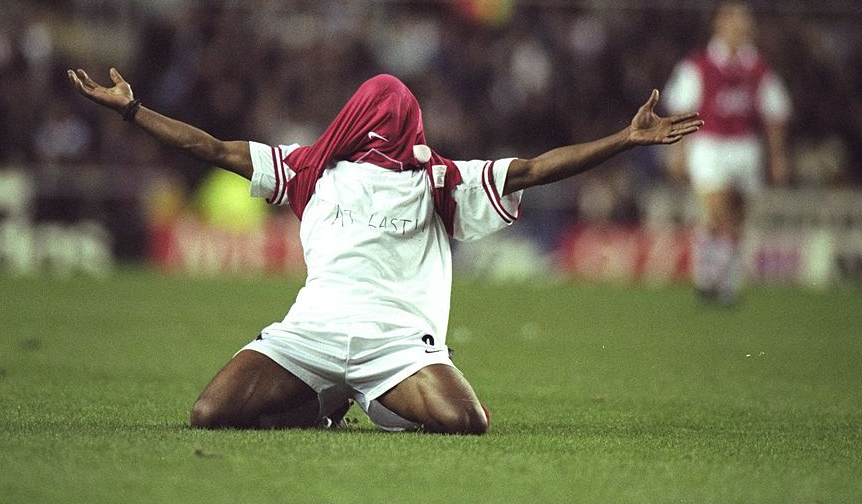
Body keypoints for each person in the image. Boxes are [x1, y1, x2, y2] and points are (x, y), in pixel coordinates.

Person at [68, 67, 702, 434]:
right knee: (207, 414)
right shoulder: (308, 168)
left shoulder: (435, 179)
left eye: (395, 117)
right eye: (382, 116)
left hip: (396, 343)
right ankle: (325, 399)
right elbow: (211, 148)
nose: (390, 126)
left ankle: (359, 395)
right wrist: (134, 110)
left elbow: (532, 169)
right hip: (309, 332)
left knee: (469, 423)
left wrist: (624, 138)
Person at [663, 1, 792, 305]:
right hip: (709, 145)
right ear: (719, 26)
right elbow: (681, 109)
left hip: (745, 147)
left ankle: (721, 282)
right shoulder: (698, 65)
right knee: (717, 211)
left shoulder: (758, 67)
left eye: (743, 24)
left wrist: (777, 156)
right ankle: (714, 283)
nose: (739, 29)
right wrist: (678, 152)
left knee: (735, 218)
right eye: (733, 23)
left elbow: (776, 114)